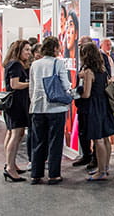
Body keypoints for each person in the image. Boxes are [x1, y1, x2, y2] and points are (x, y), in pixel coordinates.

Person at [29, 36, 71, 185]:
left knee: (38, 141)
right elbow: (66, 85)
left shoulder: (35, 64)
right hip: (56, 107)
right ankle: (53, 175)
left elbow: (32, 87)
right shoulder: (58, 63)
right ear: (55, 48)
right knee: (55, 141)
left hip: (37, 107)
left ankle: (36, 174)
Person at [79, 42, 114, 181]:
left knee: (98, 139)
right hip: (104, 105)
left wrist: (78, 92)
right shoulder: (102, 69)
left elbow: (86, 94)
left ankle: (101, 171)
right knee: (106, 138)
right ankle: (105, 167)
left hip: (94, 106)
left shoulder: (89, 72)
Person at [2, 40, 31, 182]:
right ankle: (10, 168)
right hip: (16, 105)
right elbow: (15, 84)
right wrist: (31, 84)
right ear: (18, 50)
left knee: (13, 133)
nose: (29, 53)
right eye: (26, 50)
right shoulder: (15, 64)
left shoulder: (13, 64)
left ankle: (11, 163)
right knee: (16, 134)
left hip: (16, 104)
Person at [72, 35, 97, 168]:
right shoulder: (83, 64)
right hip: (82, 104)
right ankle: (86, 155)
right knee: (83, 131)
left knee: (94, 132)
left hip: (92, 103)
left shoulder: (97, 62)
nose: (80, 47)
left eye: (82, 45)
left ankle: (95, 158)